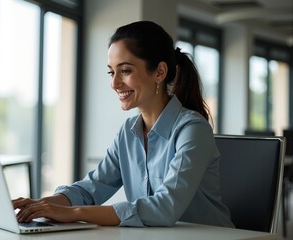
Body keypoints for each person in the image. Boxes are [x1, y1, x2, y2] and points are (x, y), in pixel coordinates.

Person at [13, 21, 234, 228]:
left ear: (159, 72)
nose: (114, 83)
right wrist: (40, 205)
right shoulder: (128, 133)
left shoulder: (193, 130)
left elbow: (165, 208)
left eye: (125, 71)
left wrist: (75, 213)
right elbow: (91, 189)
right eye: (112, 72)